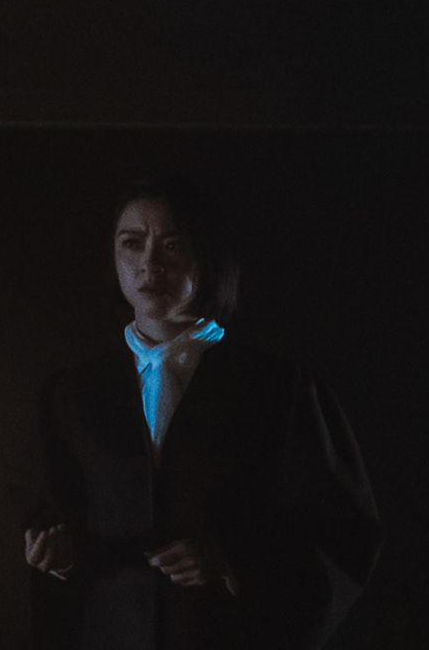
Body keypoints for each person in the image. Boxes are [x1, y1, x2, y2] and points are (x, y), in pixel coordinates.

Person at [23, 181, 382, 648]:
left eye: (173, 244)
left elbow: (343, 535)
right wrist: (60, 557)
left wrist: (231, 560)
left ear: (206, 256)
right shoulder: (73, 394)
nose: (150, 263)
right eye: (132, 243)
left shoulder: (277, 388)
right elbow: (64, 524)